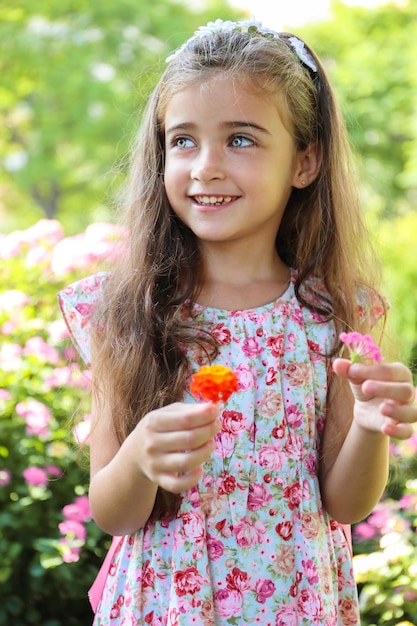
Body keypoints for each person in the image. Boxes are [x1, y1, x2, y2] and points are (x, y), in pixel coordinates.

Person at [58, 18, 417, 625]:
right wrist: (141, 456)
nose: (206, 166)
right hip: (167, 606)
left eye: (242, 140)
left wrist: (370, 427)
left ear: (304, 162)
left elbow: (346, 504)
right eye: (184, 141)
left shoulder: (333, 315)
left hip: (297, 605)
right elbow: (114, 513)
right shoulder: (128, 310)